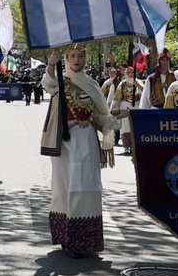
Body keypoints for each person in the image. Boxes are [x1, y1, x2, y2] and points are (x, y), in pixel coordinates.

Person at [41, 46, 122, 258]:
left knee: (86, 187)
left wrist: (112, 122)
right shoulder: (60, 80)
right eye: (72, 56)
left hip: (86, 142)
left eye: (80, 56)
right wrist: (51, 64)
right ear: (66, 59)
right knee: (64, 187)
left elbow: (97, 115)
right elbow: (47, 84)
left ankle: (82, 239)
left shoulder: (91, 84)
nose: (77, 60)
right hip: (64, 144)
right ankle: (65, 236)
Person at [109, 65, 141, 155]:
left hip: (136, 106)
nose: (131, 74)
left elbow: (144, 93)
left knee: (134, 127)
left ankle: (134, 147)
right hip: (124, 107)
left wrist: (137, 85)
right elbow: (117, 97)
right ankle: (126, 146)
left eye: (132, 72)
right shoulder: (122, 84)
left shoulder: (138, 82)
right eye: (129, 73)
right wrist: (113, 108)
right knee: (125, 127)